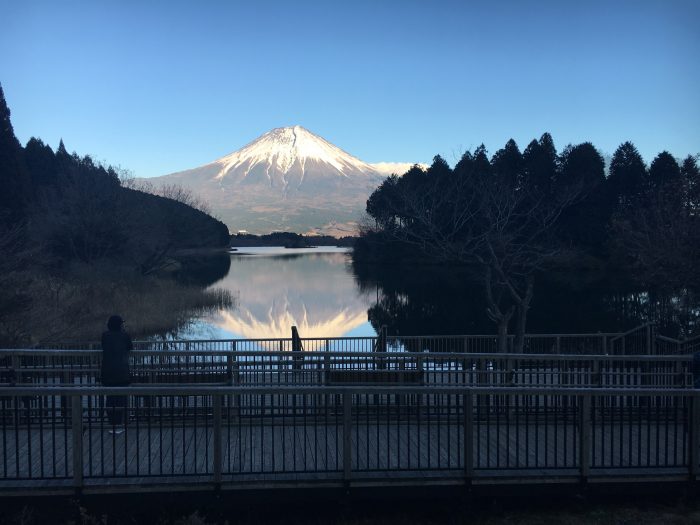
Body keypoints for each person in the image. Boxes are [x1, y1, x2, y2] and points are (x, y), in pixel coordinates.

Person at [101, 315, 133, 433]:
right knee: (120, 398)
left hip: (108, 372)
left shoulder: (105, 335)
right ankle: (119, 424)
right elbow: (130, 347)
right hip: (122, 372)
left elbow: (103, 346)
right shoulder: (125, 335)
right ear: (120, 325)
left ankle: (112, 424)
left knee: (110, 398)